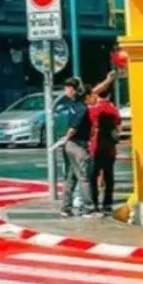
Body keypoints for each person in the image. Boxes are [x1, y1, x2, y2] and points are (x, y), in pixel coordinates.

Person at [53, 76, 93, 217]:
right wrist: (66, 138)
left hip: (69, 145)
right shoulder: (81, 108)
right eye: (66, 87)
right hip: (78, 145)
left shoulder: (72, 105)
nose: (66, 90)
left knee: (70, 177)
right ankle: (88, 208)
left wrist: (64, 140)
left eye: (69, 87)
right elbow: (73, 128)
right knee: (84, 177)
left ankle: (66, 208)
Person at [87, 81, 122, 216]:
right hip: (110, 146)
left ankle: (94, 203)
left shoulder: (92, 109)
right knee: (109, 176)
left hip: (95, 145)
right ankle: (107, 204)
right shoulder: (112, 109)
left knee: (92, 176)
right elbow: (119, 124)